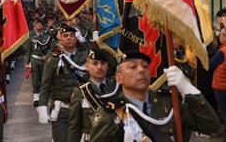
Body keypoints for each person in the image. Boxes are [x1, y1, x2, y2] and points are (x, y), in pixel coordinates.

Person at [89, 51, 221, 142]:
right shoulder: (110, 114)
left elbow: (212, 127)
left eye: (145, 66)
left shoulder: (169, 103)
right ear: (119, 78)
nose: (141, 70)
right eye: (132, 67)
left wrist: (188, 90)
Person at [37, 25, 88, 142]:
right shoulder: (54, 58)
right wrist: (43, 107)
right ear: (60, 38)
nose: (69, 38)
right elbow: (45, 85)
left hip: (83, 110)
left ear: (76, 38)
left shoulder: (85, 56)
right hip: (62, 111)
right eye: (65, 36)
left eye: (72, 35)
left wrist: (86, 41)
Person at [68, 48, 117, 142]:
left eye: (103, 63)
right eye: (95, 63)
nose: (99, 67)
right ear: (87, 66)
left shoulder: (116, 88)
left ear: (107, 66)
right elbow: (74, 125)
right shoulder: (80, 92)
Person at [25, 18, 52, 107]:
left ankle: (45, 98)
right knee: (35, 79)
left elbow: (50, 49)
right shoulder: (31, 37)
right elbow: (28, 50)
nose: (39, 25)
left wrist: (47, 56)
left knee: (44, 79)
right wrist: (27, 62)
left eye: (40, 24)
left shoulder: (47, 36)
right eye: (37, 24)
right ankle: (36, 98)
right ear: (34, 26)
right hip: (34, 60)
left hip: (44, 60)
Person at [210, 22, 226, 140]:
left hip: (221, 87)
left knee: (224, 114)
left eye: (220, 35)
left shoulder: (222, 52)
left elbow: (210, 65)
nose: (218, 37)